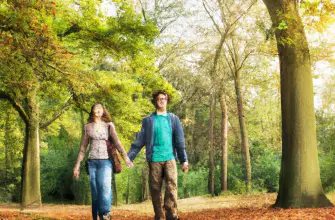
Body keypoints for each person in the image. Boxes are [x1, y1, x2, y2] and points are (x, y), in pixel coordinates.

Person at [128, 90, 189, 220]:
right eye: (160, 98)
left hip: (170, 158)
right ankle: (159, 216)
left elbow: (180, 141)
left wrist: (184, 160)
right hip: (155, 158)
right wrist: (130, 157)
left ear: (167, 101)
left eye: (164, 98)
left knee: (171, 186)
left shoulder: (173, 119)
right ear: (155, 101)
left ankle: (171, 213)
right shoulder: (149, 120)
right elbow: (140, 140)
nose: (162, 100)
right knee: (155, 189)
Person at [73, 103, 133, 220]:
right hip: (92, 163)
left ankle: (105, 215)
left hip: (106, 162)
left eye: (100, 108)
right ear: (93, 111)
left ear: (103, 111)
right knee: (95, 194)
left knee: (105, 188)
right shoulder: (87, 127)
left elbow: (117, 143)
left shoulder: (109, 126)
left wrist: (125, 157)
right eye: (96, 108)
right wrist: (77, 166)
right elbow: (83, 148)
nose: (98, 110)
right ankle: (96, 217)